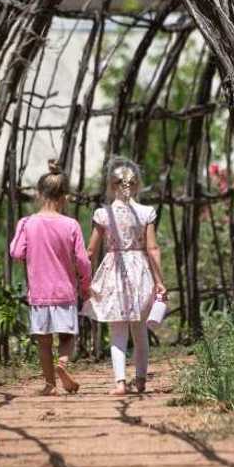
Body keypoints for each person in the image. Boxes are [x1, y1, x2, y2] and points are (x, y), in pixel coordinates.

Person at [84, 157, 167, 395]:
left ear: (112, 185)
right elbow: (152, 249)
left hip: (114, 271)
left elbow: (90, 251)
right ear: (137, 185)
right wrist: (160, 281)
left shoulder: (103, 214)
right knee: (139, 331)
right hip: (140, 271)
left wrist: (82, 276)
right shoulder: (146, 213)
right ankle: (140, 381)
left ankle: (120, 383)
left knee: (117, 331)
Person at [9, 159, 92, 395]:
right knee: (67, 337)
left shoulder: (27, 223)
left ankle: (49, 385)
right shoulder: (71, 225)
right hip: (64, 292)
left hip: (39, 294)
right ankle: (63, 364)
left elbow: (16, 252)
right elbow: (83, 261)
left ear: (38, 194)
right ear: (64, 197)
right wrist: (86, 285)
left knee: (44, 342)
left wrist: (20, 229)